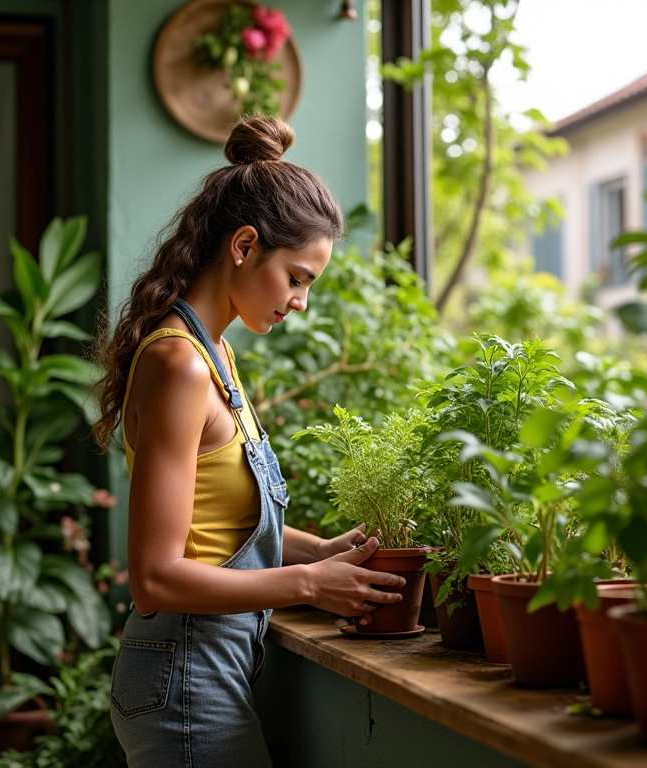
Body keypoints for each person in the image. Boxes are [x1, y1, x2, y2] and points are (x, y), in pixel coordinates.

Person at [91, 115, 406, 768]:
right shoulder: (180, 366)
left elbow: (214, 518)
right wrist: (308, 585)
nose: (300, 302)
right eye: (297, 278)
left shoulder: (216, 356)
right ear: (242, 246)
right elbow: (153, 578)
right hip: (184, 680)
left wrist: (322, 551)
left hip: (198, 673)